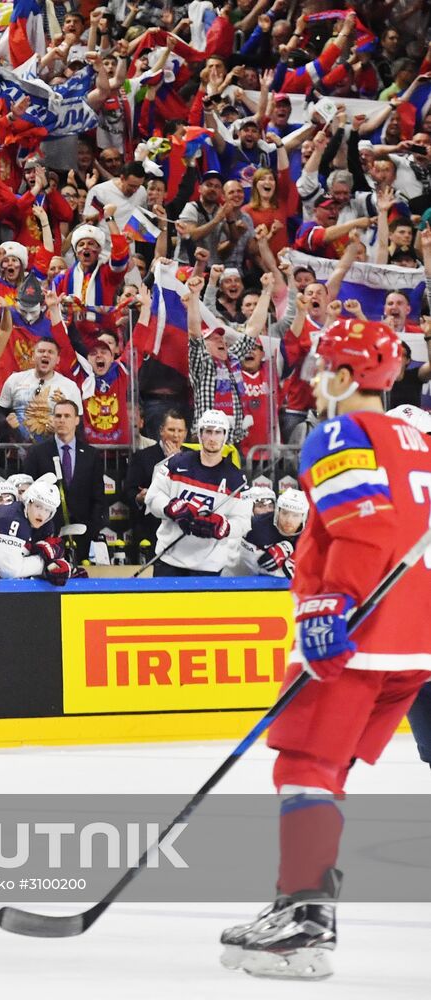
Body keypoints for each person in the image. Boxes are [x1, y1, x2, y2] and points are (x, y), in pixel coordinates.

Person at [221, 319, 431, 980]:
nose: (311, 383)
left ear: (345, 378)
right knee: (327, 769)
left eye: (321, 369)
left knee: (307, 766)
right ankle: (299, 896)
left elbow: (365, 529)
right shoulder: (420, 438)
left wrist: (327, 606)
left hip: (358, 634)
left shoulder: (339, 432)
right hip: (415, 640)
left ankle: (304, 925)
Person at [144, 409, 250, 577]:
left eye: (218, 432)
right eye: (208, 431)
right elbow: (152, 497)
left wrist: (224, 526)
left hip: (209, 567)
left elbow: (243, 522)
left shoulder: (236, 479)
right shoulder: (176, 463)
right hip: (169, 560)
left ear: (225, 436)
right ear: (200, 434)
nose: (213, 438)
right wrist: (170, 508)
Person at [23, 399, 107, 545]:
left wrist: (93, 528)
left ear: (76, 420)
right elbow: (29, 492)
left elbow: (98, 495)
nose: (62, 420)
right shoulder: (37, 452)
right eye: (58, 416)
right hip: (47, 530)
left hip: (84, 531)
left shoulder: (91, 454)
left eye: (67, 416)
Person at [123, 410, 187, 558]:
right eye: (171, 430)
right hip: (150, 529)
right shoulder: (142, 457)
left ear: (185, 433)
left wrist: (177, 460)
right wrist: (139, 497)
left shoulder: (192, 458)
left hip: (183, 530)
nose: (175, 435)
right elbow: (129, 492)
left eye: (180, 431)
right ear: (161, 431)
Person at [233, 489, 307, 578]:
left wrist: (294, 554)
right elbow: (255, 568)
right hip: (240, 581)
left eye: (295, 515)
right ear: (278, 512)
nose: (289, 520)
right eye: (284, 513)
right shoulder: (255, 529)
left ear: (304, 517)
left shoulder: (312, 532)